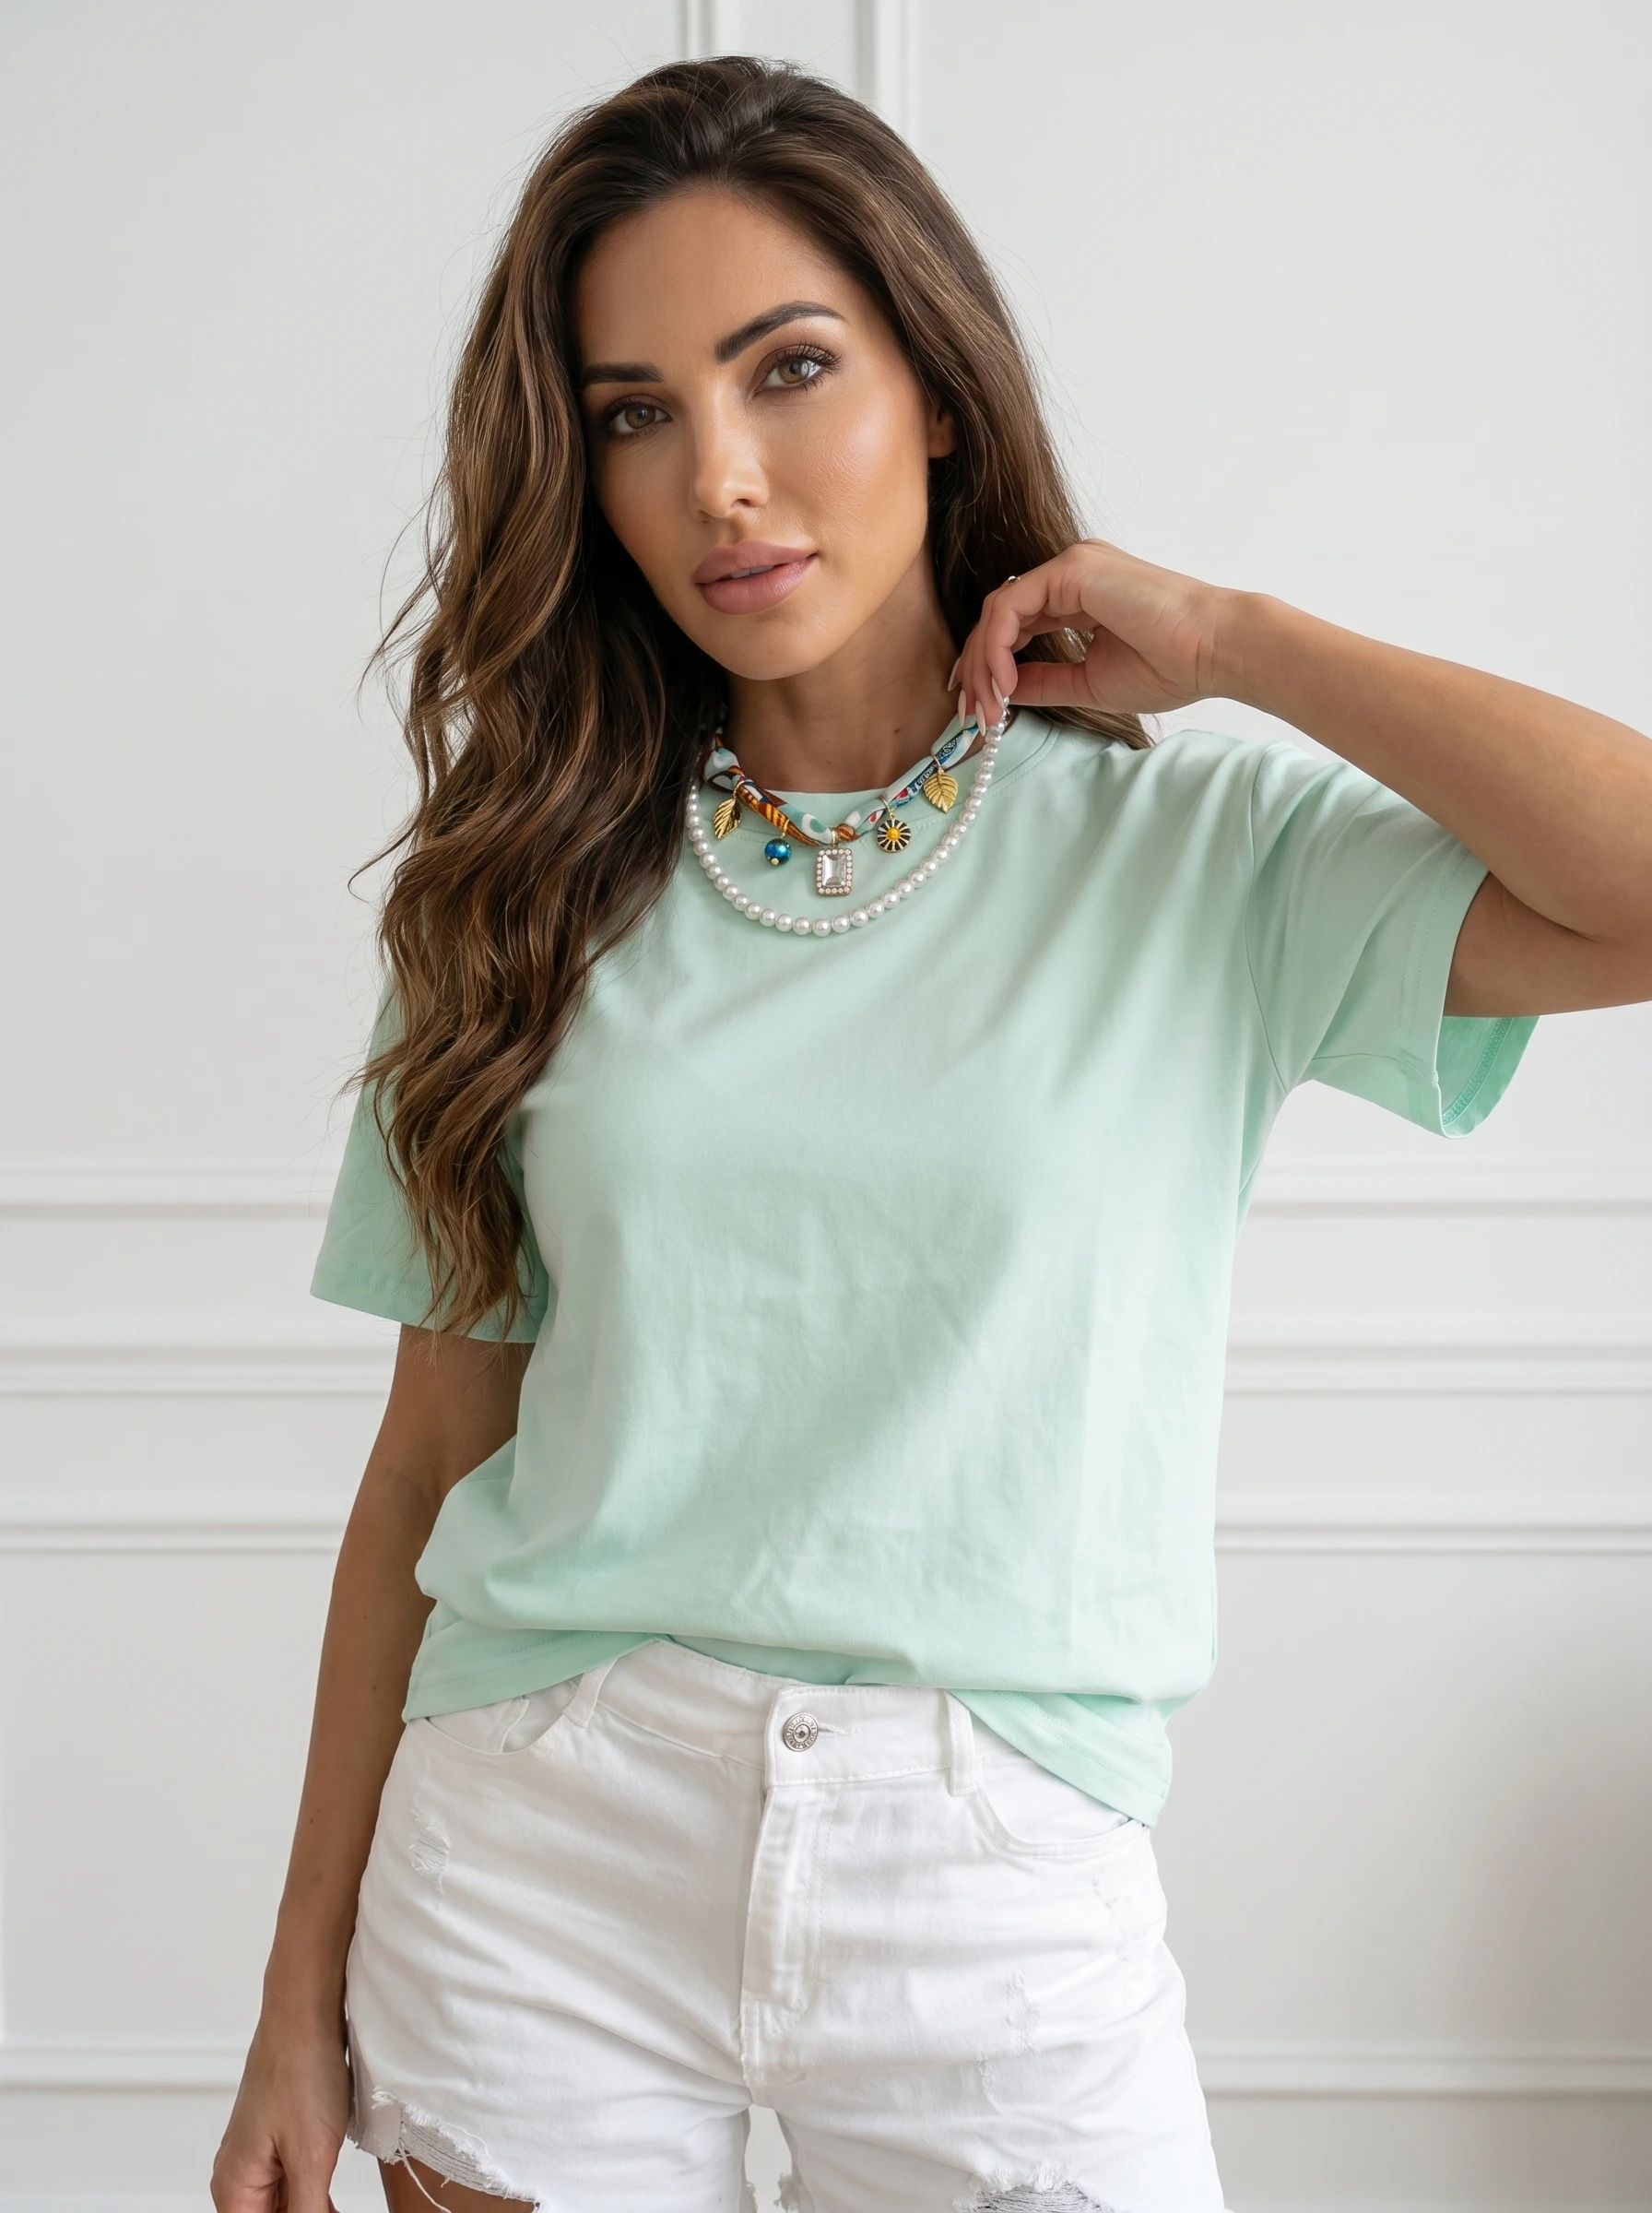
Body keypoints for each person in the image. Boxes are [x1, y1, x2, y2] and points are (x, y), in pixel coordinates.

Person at [210, 55, 1652, 2213]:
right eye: (633, 413)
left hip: (997, 1890)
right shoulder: (515, 895)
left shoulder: (1199, 859)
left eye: (787, 369)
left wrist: (1240, 641)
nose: (719, 477)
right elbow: (428, 1463)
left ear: (937, 391)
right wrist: (289, 1998)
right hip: (537, 1860)